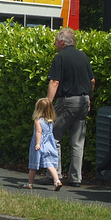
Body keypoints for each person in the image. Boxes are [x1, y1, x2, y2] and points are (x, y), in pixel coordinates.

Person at [46, 28, 95, 187]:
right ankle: (75, 178)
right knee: (77, 141)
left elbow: (54, 82)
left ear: (62, 42)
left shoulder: (59, 57)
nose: (54, 44)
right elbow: (92, 81)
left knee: (54, 136)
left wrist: (48, 104)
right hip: (83, 100)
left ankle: (55, 174)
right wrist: (88, 99)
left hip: (67, 101)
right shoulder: (83, 56)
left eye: (55, 41)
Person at [23, 98, 62, 191]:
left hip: (40, 144)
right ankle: (57, 181)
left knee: (33, 165)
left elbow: (39, 132)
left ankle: (30, 183)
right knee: (50, 164)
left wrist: (37, 143)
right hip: (49, 144)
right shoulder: (50, 121)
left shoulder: (38, 120)